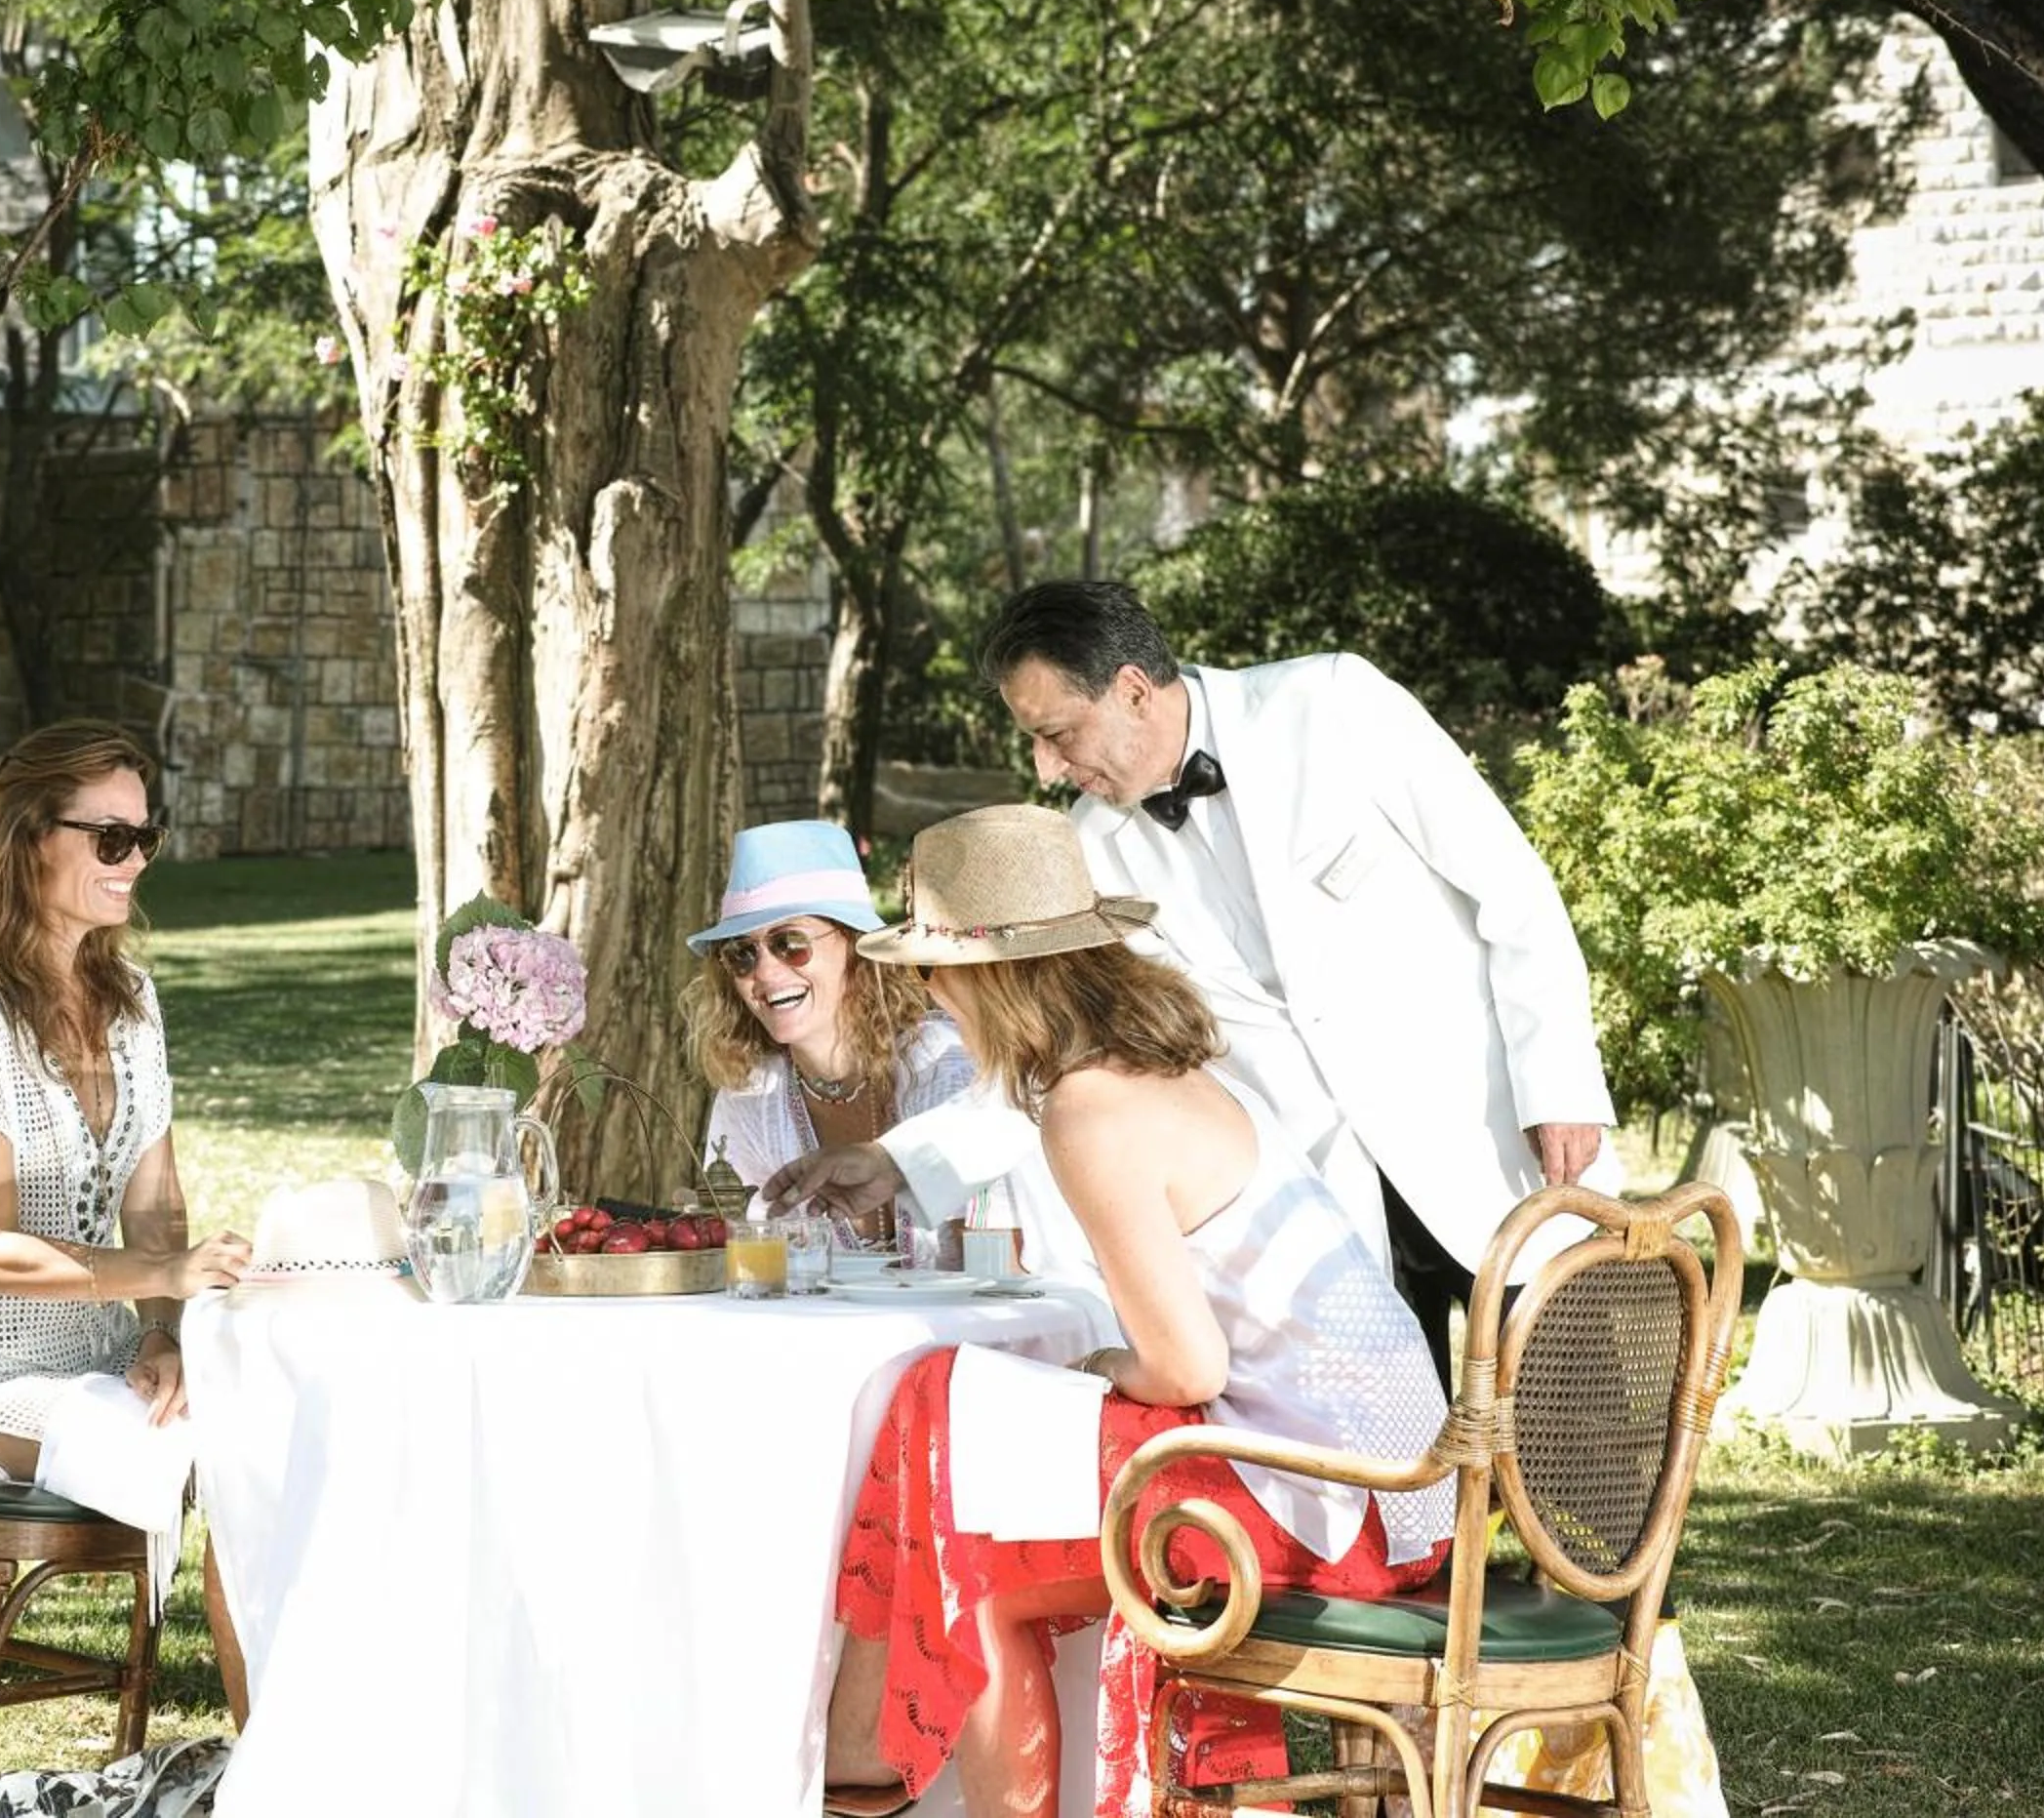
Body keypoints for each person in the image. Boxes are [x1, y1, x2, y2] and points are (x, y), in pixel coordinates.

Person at [772, 579, 1614, 1372]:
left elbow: (1513, 891)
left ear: (1133, 690)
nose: (1046, 768)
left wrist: (1561, 1085)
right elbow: (1072, 1059)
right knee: (1402, 1493)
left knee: (1585, 1460)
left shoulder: (1334, 704)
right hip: (1324, 1222)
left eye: (1057, 733)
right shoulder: (1091, 850)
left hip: (1488, 1143)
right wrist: (900, 1160)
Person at [819, 805, 1453, 1818]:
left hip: (1335, 1507)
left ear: (987, 976)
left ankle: (863, 1749)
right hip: (1402, 1492)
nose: (929, 996)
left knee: (954, 1469)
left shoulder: (1090, 1109)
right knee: (959, 1445)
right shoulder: (1165, 1072)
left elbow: (1186, 1370)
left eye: (931, 972)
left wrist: (1107, 1368)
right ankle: (867, 1747)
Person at [0, 720, 249, 1486]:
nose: (137, 860)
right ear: (29, 838)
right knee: (182, 1453)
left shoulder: (132, 1001)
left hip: (98, 1357)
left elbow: (153, 1205)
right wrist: (171, 1272)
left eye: (147, 836)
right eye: (112, 838)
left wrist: (159, 1338)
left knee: (270, 1420)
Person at [679, 821, 977, 1252]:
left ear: (855, 947)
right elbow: (748, 1256)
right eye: (742, 954)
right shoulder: (751, 1098)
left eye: (789, 943)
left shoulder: (946, 1065)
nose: (764, 973)